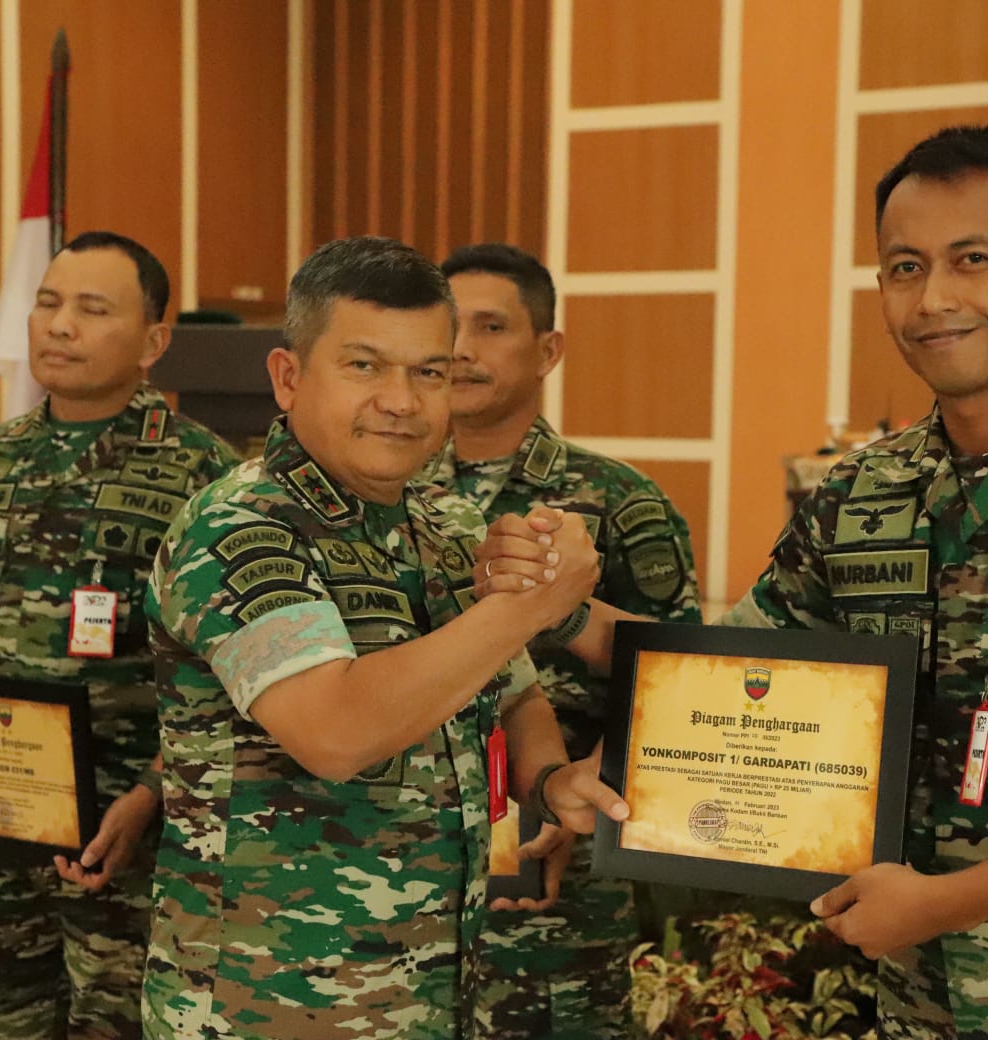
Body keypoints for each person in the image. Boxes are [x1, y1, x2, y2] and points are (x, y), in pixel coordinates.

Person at [479, 127, 988, 1038]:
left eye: (971, 260)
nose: (934, 298)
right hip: (921, 1003)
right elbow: (730, 673)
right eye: (906, 268)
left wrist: (954, 899)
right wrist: (556, 607)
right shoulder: (862, 492)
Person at [141, 236, 629, 1040]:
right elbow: (334, 731)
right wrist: (531, 605)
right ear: (288, 377)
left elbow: (513, 695)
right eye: (364, 366)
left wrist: (549, 783)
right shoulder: (239, 527)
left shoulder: (444, 522)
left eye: (429, 372)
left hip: (429, 995)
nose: (401, 401)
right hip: (267, 1008)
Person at [0, 231, 241, 1039]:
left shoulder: (203, 474)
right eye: (47, 303)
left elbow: (229, 674)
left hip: (130, 841)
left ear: (153, 342)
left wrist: (150, 794)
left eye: (92, 308)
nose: (59, 325)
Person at [420, 243, 702, 1038]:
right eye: (448, 328)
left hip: (558, 874)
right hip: (409, 870)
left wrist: (579, 798)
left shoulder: (617, 501)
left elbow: (680, 679)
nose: (462, 349)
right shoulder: (390, 492)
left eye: (491, 327)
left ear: (547, 350)